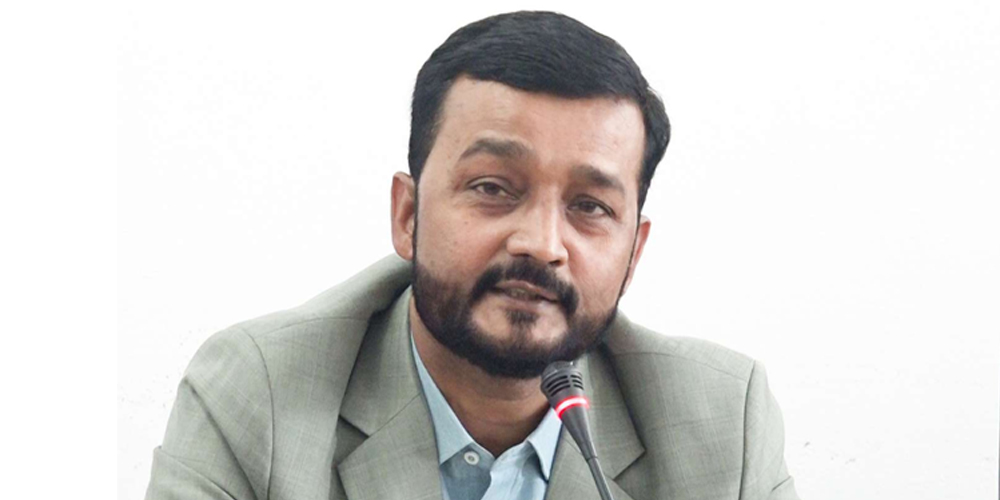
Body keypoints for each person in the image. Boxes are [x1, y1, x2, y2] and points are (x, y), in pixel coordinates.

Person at [145, 11, 798, 500]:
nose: (541, 243)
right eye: (493, 188)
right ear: (408, 215)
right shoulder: (257, 398)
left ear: (633, 254)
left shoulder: (722, 427)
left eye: (589, 206)